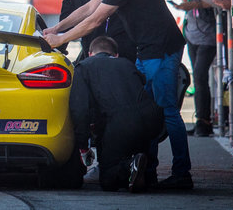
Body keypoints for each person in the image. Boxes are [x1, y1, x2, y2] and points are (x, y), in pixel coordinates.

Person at [43, 0, 191, 189]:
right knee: (146, 112)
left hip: (162, 49)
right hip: (147, 49)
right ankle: (148, 171)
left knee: (166, 111)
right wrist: (55, 30)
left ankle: (182, 174)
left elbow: (96, 20)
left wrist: (62, 39)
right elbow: (89, 7)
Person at [70, 36, 163, 192]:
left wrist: (83, 146)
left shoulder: (84, 67)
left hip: (119, 123)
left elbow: (80, 110)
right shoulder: (127, 64)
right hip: (152, 120)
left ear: (90, 53)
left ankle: (129, 167)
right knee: (136, 147)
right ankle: (145, 174)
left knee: (108, 180)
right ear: (116, 54)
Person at [172, 0, 218, 137]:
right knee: (197, 77)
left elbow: (221, 0)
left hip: (209, 33)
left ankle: (204, 121)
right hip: (192, 32)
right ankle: (202, 120)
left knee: (199, 76)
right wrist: (184, 1)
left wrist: (196, 5)